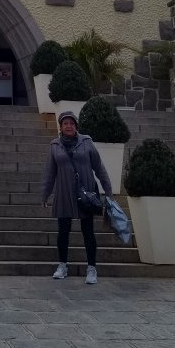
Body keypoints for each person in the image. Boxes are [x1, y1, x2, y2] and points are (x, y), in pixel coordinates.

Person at [42, 110, 112, 285]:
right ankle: (63, 266)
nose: (69, 126)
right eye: (65, 123)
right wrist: (45, 194)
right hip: (64, 193)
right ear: (60, 126)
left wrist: (108, 192)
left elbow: (99, 168)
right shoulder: (55, 145)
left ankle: (91, 268)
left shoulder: (86, 142)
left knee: (88, 231)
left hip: (86, 193)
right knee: (63, 231)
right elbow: (50, 173)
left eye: (72, 123)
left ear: (76, 126)